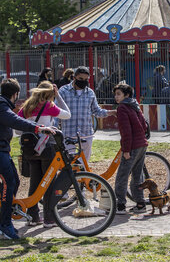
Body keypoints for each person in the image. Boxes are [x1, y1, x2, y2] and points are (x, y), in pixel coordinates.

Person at [0, 78, 55, 239]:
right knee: (10, 182)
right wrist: (39, 128)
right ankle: (5, 224)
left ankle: (7, 211)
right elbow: (16, 121)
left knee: (15, 181)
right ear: (16, 94)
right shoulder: (1, 107)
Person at [17, 81, 71, 228]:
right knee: (49, 183)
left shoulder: (26, 107)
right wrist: (59, 95)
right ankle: (49, 218)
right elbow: (67, 114)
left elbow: (16, 130)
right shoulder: (48, 106)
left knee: (35, 182)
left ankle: (33, 216)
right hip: (47, 148)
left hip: (30, 149)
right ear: (50, 94)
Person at [58, 66, 116, 161]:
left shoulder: (90, 93)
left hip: (86, 134)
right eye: (80, 79)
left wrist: (112, 112)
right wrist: (55, 129)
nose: (83, 81)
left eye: (86, 79)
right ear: (74, 77)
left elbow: (96, 111)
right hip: (68, 134)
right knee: (68, 164)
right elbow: (57, 111)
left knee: (84, 165)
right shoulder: (63, 91)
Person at [112, 83, 148, 215]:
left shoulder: (122, 108)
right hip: (142, 144)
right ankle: (140, 203)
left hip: (132, 146)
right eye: (115, 94)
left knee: (122, 175)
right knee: (137, 175)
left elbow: (126, 132)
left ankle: (120, 204)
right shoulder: (135, 105)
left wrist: (126, 150)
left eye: (119, 94)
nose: (116, 97)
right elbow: (144, 125)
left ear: (126, 95)